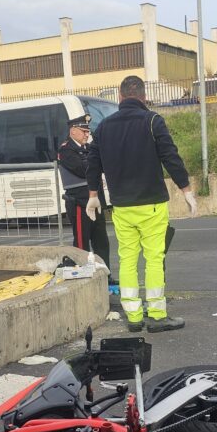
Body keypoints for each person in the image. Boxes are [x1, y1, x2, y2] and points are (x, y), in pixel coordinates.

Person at [86, 75, 197, 333]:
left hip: (122, 207)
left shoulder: (103, 127)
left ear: (120, 97)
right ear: (144, 97)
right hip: (152, 205)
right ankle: (157, 315)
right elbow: (171, 157)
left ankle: (134, 317)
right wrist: (186, 190)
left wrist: (93, 195)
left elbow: (93, 163)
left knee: (127, 260)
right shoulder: (152, 121)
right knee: (154, 259)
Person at [57, 113, 112, 276]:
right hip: (80, 203)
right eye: (83, 131)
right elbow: (84, 170)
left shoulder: (88, 149)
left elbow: (100, 164)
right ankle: (84, 274)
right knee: (82, 243)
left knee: (102, 242)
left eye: (88, 132)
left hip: (96, 201)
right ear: (73, 131)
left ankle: (105, 275)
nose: (87, 135)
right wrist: (95, 164)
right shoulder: (66, 150)